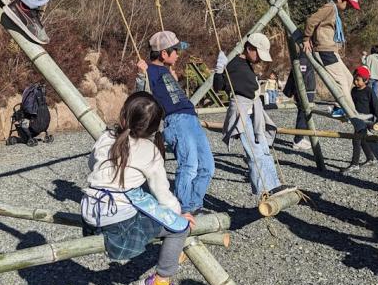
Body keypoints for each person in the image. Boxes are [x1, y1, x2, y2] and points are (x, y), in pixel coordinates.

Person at [81, 92, 194, 285]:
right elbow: (163, 194)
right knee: (180, 228)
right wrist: (180, 215)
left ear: (123, 115)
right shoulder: (149, 151)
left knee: (135, 196)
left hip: (89, 210)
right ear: (153, 129)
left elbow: (92, 164)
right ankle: (160, 283)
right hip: (117, 220)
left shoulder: (106, 138)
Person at [135, 31, 214, 214]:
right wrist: (140, 75)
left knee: (207, 166)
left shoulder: (167, 70)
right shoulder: (148, 70)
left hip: (191, 118)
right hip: (175, 119)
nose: (178, 54)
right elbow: (140, 97)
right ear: (164, 53)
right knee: (189, 165)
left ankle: (194, 204)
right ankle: (185, 207)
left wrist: (173, 78)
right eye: (175, 51)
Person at [213, 33, 296, 197]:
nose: (259, 59)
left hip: (252, 110)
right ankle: (265, 189)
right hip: (242, 111)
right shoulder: (236, 64)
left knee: (263, 148)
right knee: (254, 152)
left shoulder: (246, 64)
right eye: (258, 53)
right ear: (249, 48)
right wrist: (219, 70)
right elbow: (219, 86)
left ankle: (274, 184)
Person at [302, 0, 361, 118]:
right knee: (341, 81)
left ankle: (339, 106)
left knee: (349, 78)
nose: (349, 7)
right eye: (348, 3)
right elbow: (311, 20)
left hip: (331, 50)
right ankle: (351, 112)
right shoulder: (329, 7)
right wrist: (306, 38)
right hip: (324, 50)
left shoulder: (334, 10)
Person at [342, 66, 378, 173]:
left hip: (367, 120)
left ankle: (355, 164)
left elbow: (376, 106)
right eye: (355, 79)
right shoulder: (354, 91)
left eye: (358, 80)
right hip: (357, 119)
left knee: (356, 140)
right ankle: (370, 159)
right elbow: (350, 104)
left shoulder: (369, 91)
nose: (355, 81)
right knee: (363, 140)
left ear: (365, 80)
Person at [283, 51, 316, 151]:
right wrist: (298, 90)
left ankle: (300, 137)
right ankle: (298, 140)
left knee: (305, 115)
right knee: (303, 115)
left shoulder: (305, 56)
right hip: (304, 91)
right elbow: (300, 74)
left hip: (306, 90)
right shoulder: (303, 57)